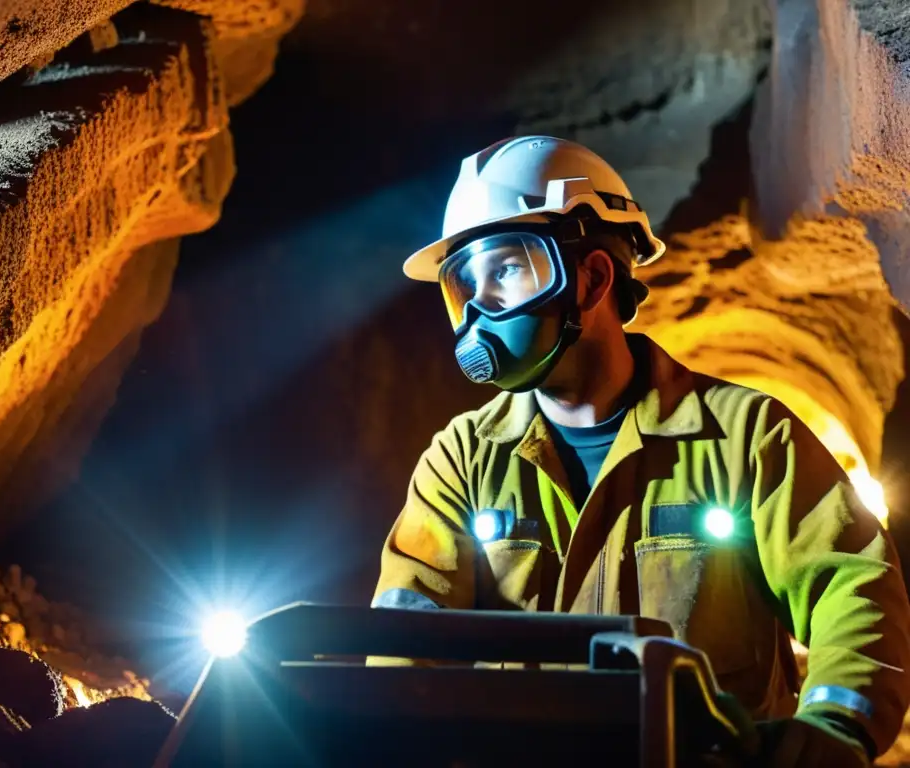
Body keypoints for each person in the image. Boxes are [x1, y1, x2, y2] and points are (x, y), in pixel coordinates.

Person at [371, 135, 910, 765]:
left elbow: (852, 583)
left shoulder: (746, 437)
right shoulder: (462, 459)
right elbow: (407, 632)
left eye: (507, 269)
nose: (480, 308)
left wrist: (837, 725)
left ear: (594, 277)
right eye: (466, 284)